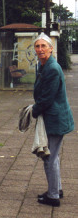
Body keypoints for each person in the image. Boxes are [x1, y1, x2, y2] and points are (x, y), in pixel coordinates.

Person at [32, 33, 74, 207]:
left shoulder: (52, 68)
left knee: (49, 157)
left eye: (43, 46)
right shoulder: (44, 65)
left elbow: (47, 98)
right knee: (53, 156)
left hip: (55, 119)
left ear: (51, 48)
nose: (40, 49)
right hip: (53, 117)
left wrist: (34, 110)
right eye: (37, 46)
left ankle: (53, 195)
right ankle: (56, 189)